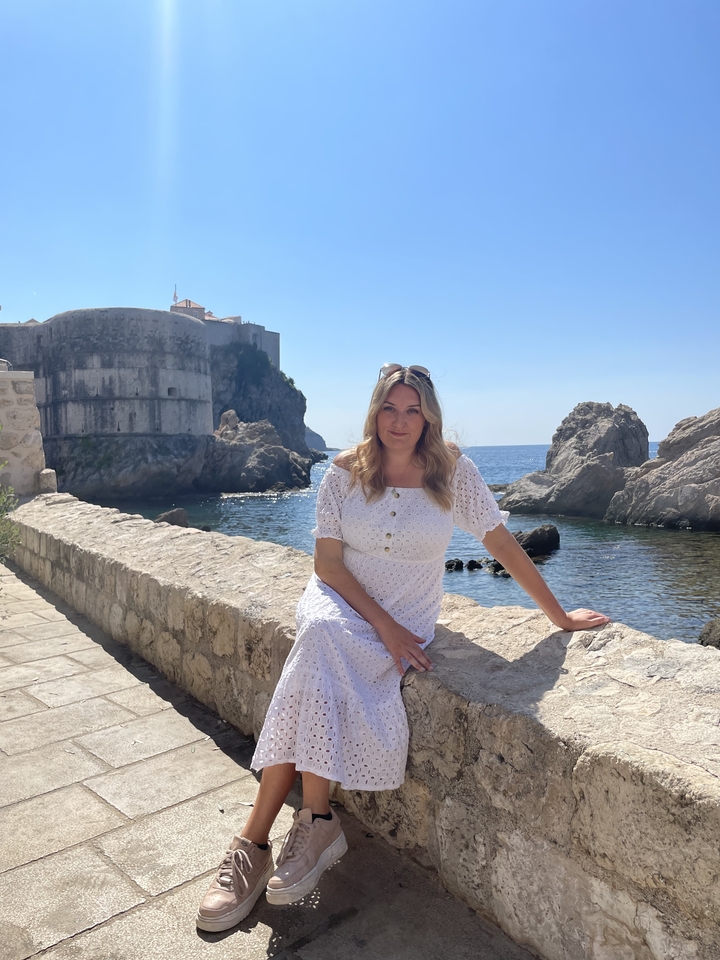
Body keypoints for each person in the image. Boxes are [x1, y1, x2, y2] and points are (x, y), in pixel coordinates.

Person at [196, 363, 610, 932]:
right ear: (374, 412)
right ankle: (300, 825)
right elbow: (327, 566)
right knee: (320, 636)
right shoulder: (343, 470)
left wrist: (558, 615)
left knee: (317, 660)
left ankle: (268, 840)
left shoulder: (452, 473)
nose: (400, 420)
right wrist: (383, 628)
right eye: (389, 408)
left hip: (410, 612)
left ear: (429, 416)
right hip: (338, 600)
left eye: (412, 409)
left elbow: (504, 545)